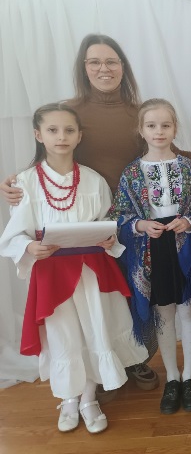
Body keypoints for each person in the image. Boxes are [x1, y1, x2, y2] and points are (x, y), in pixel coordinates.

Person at [0, 33, 160, 393]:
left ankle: (136, 357)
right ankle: (94, 370)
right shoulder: (69, 110)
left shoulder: (139, 113)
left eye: (111, 61)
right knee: (92, 298)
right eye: (95, 61)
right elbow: (50, 156)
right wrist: (15, 181)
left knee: (137, 290)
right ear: (83, 67)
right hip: (83, 221)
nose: (104, 68)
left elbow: (163, 148)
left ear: (123, 66)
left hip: (134, 217)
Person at [0, 103, 148, 434]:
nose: (61, 137)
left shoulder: (93, 180)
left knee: (95, 327)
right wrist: (29, 247)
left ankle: (89, 398)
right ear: (38, 135)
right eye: (52, 130)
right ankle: (69, 398)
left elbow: (108, 224)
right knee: (63, 333)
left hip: (91, 272)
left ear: (80, 136)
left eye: (69, 130)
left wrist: (110, 240)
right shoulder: (25, 183)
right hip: (52, 274)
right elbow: (15, 234)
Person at [108, 98, 191, 415]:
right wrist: (140, 225)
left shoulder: (188, 168)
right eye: (151, 125)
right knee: (164, 314)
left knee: (188, 311)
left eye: (166, 125)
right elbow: (118, 215)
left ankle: (190, 376)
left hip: (183, 246)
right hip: (151, 249)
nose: (159, 131)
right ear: (141, 130)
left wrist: (189, 222)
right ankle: (172, 377)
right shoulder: (132, 172)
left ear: (175, 128)